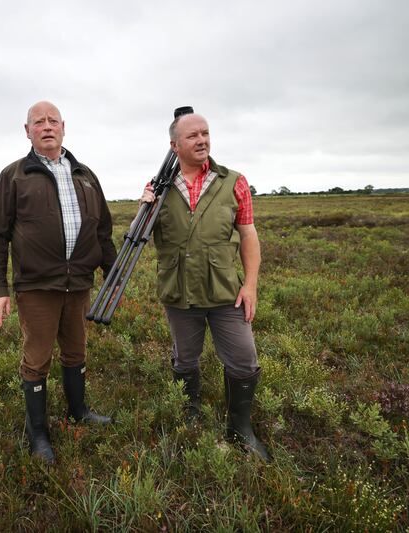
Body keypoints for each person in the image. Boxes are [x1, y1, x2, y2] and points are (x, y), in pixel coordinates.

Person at [0, 101, 116, 463]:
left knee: (76, 350)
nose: (46, 126)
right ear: (27, 131)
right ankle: (38, 432)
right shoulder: (14, 176)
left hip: (79, 285)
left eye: (52, 121)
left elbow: (103, 230)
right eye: (38, 122)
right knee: (37, 358)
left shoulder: (85, 174)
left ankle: (78, 412)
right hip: (37, 287)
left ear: (63, 127)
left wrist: (112, 273)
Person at [140, 111, 270, 461]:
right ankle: (190, 412)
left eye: (205, 133)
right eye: (192, 136)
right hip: (180, 293)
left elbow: (248, 234)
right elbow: (142, 239)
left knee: (244, 360)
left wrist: (251, 285)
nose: (202, 140)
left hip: (226, 291)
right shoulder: (160, 188)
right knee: (185, 360)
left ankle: (241, 429)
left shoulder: (234, 181)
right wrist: (145, 207)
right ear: (174, 145)